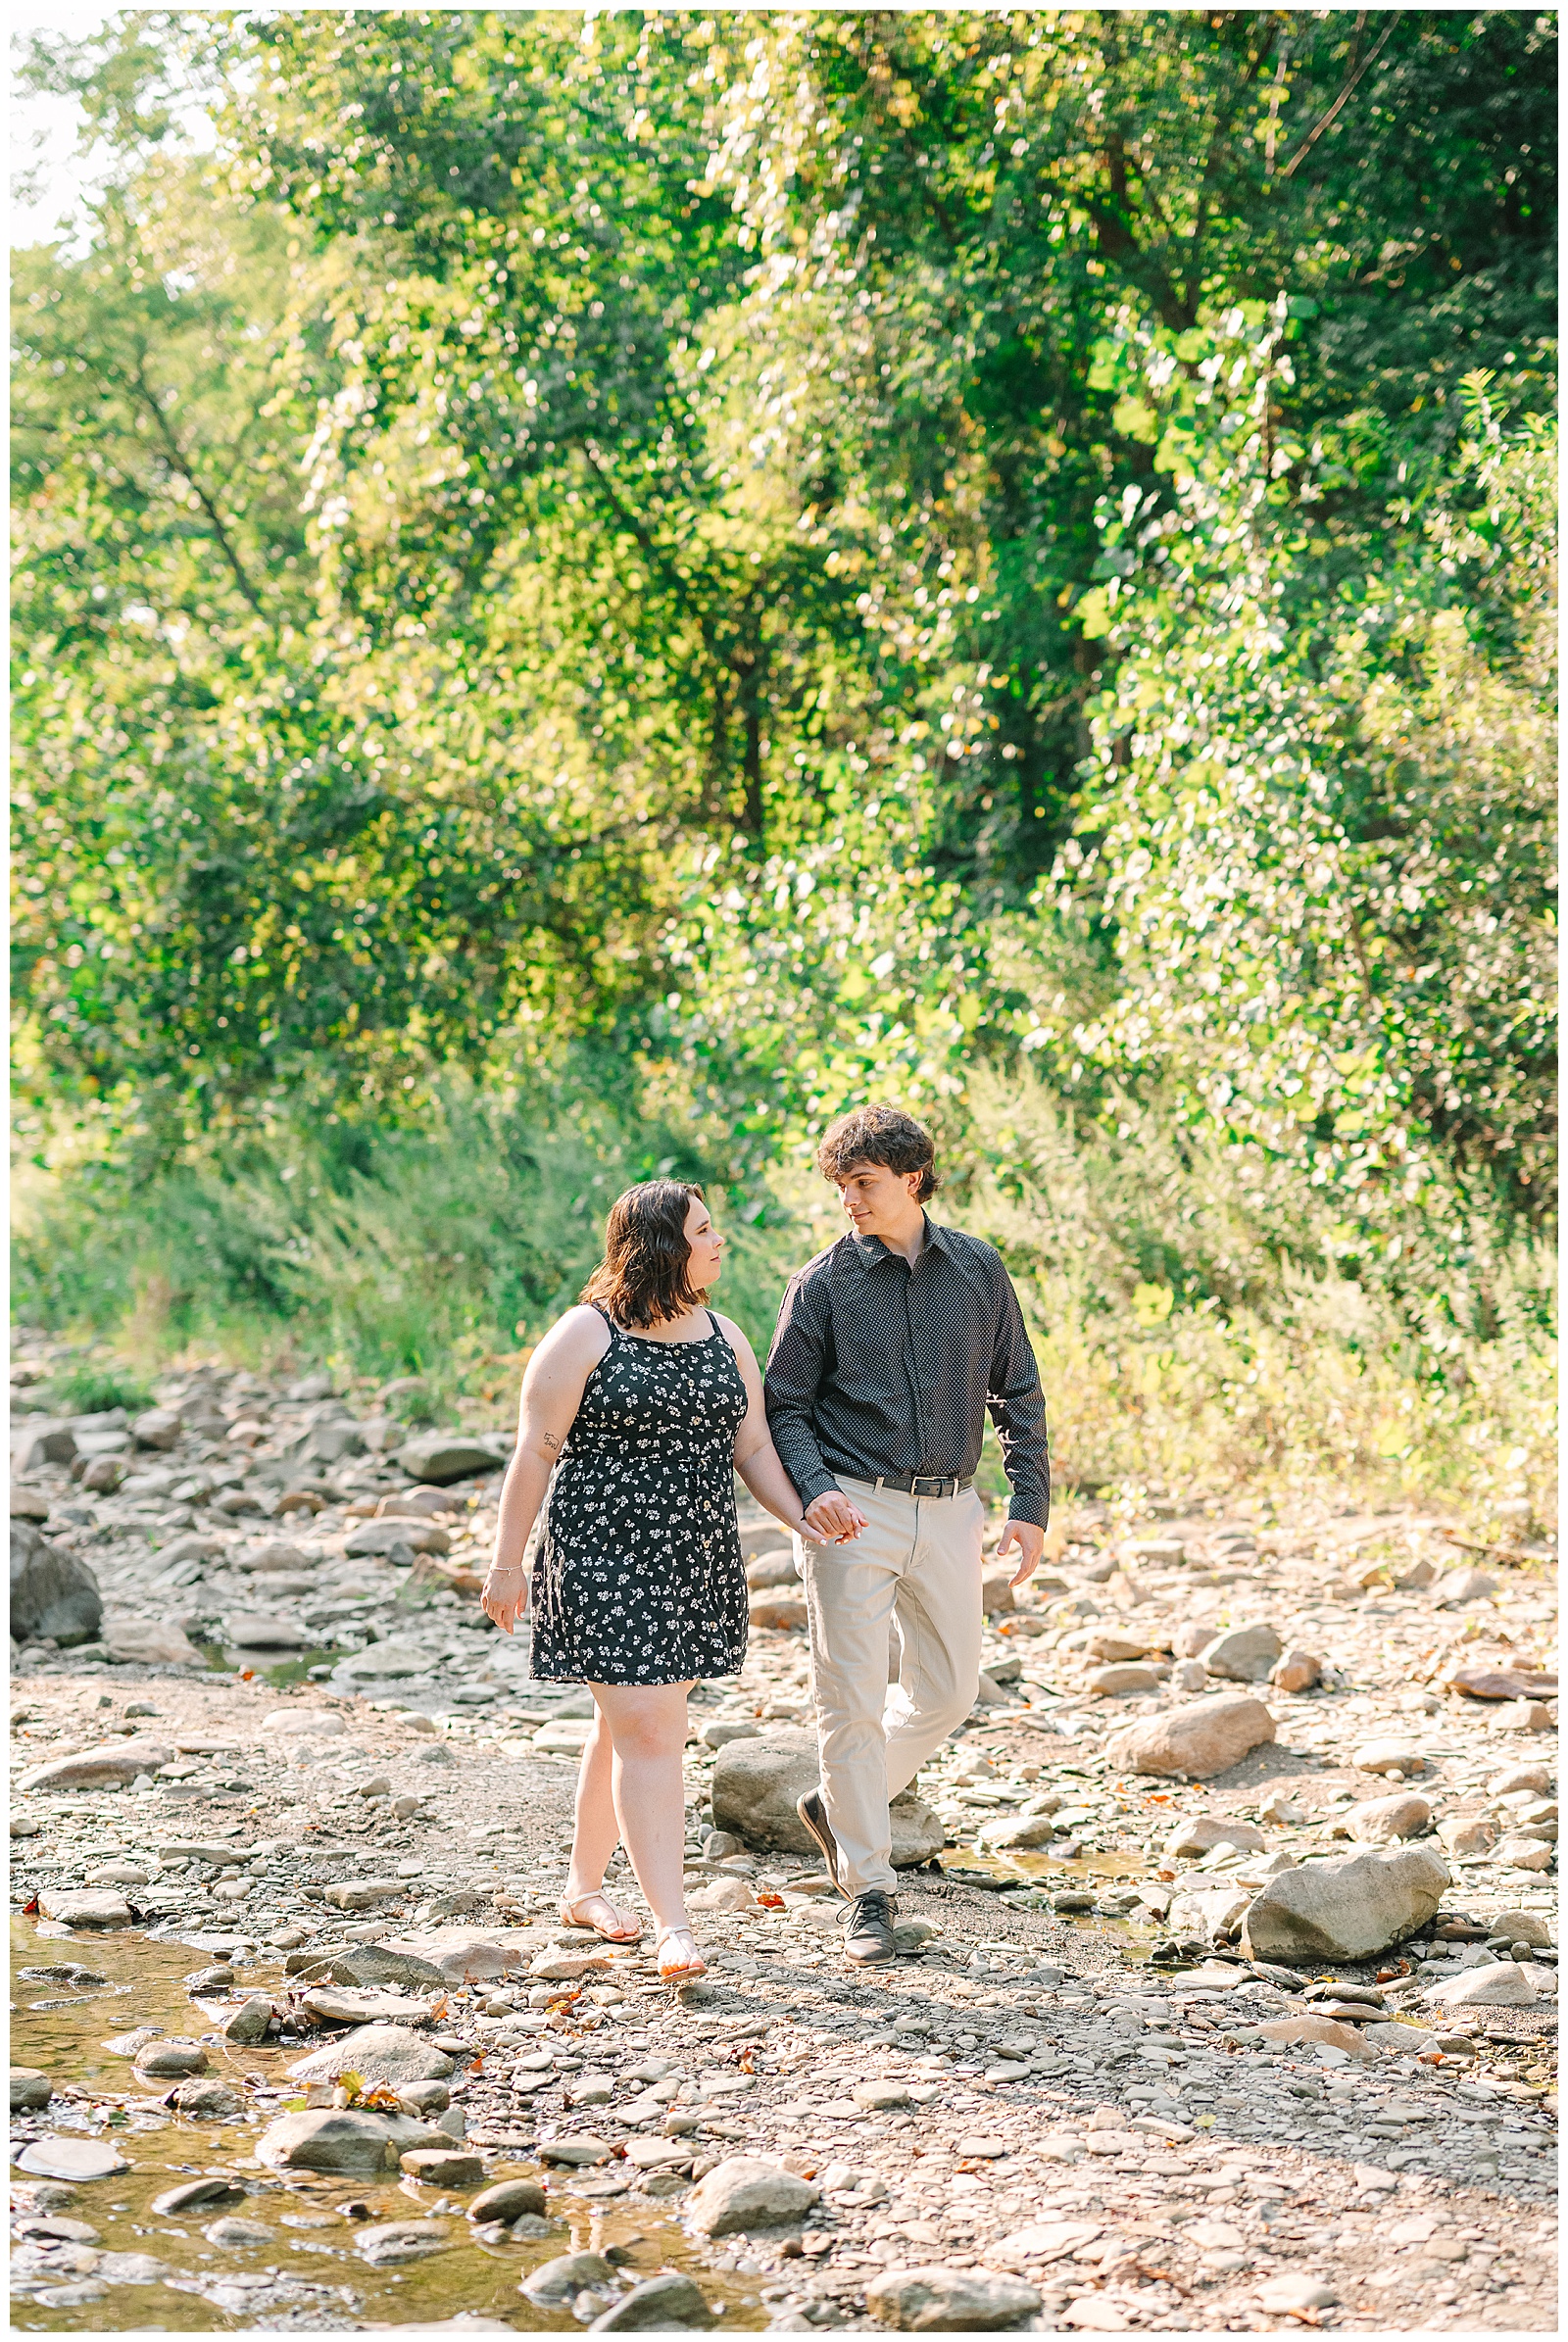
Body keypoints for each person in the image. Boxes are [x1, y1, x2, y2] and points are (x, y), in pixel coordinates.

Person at [480, 1180, 815, 1983]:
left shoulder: (724, 1335)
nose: (719, 1242)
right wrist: (505, 1562)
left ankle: (581, 1888)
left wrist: (805, 1518)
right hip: (602, 1554)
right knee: (651, 1731)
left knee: (629, 1725)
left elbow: (755, 1450)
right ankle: (675, 1924)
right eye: (705, 1232)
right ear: (664, 1245)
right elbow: (535, 1452)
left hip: (693, 1559)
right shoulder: (584, 1334)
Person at [763, 1102, 1050, 1967]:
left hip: (952, 1506)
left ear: (913, 1179)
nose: (849, 1200)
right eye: (842, 1186)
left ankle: (840, 1804)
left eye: (864, 1184)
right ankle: (869, 1892)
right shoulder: (823, 1284)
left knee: (952, 1691)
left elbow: (1019, 1391)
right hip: (853, 1507)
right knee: (849, 1697)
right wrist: (814, 1493)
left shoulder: (978, 1270)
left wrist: (1028, 1506)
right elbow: (783, 1405)